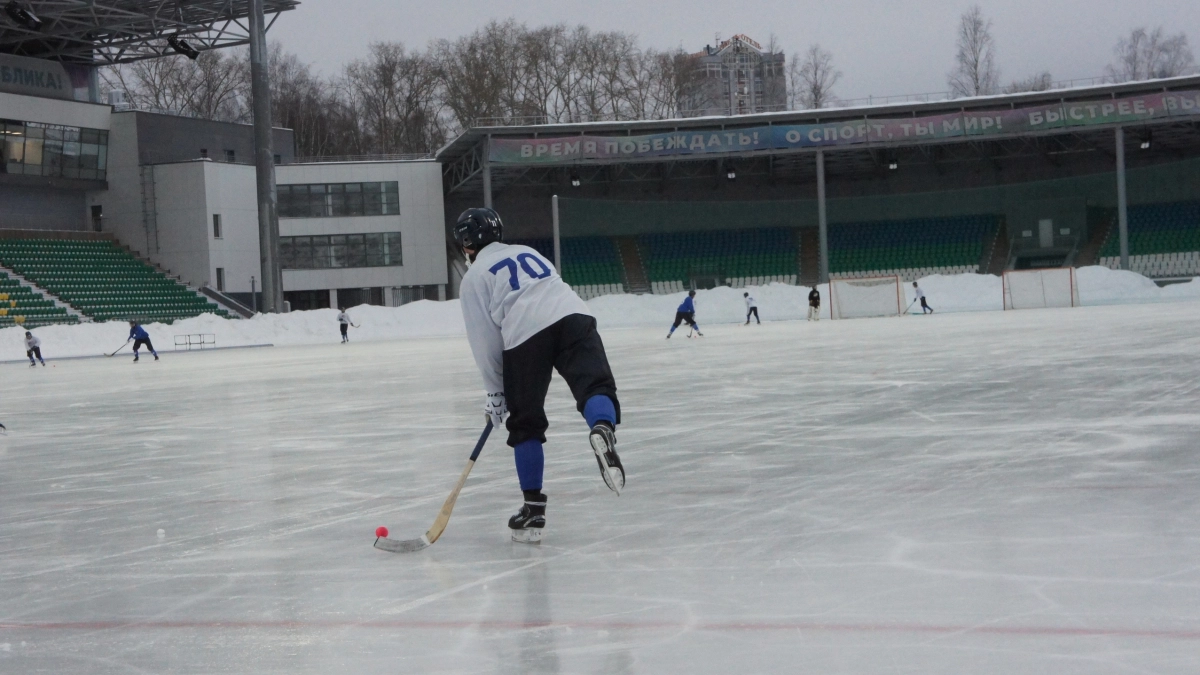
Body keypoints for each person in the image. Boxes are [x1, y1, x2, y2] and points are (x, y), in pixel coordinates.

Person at [455, 207, 624, 544]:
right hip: (574, 315)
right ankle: (602, 426)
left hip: (525, 332)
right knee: (595, 385)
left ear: (467, 243)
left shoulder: (474, 278)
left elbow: (485, 343)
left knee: (526, 421)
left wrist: (496, 393)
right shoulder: (528, 252)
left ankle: (533, 510)